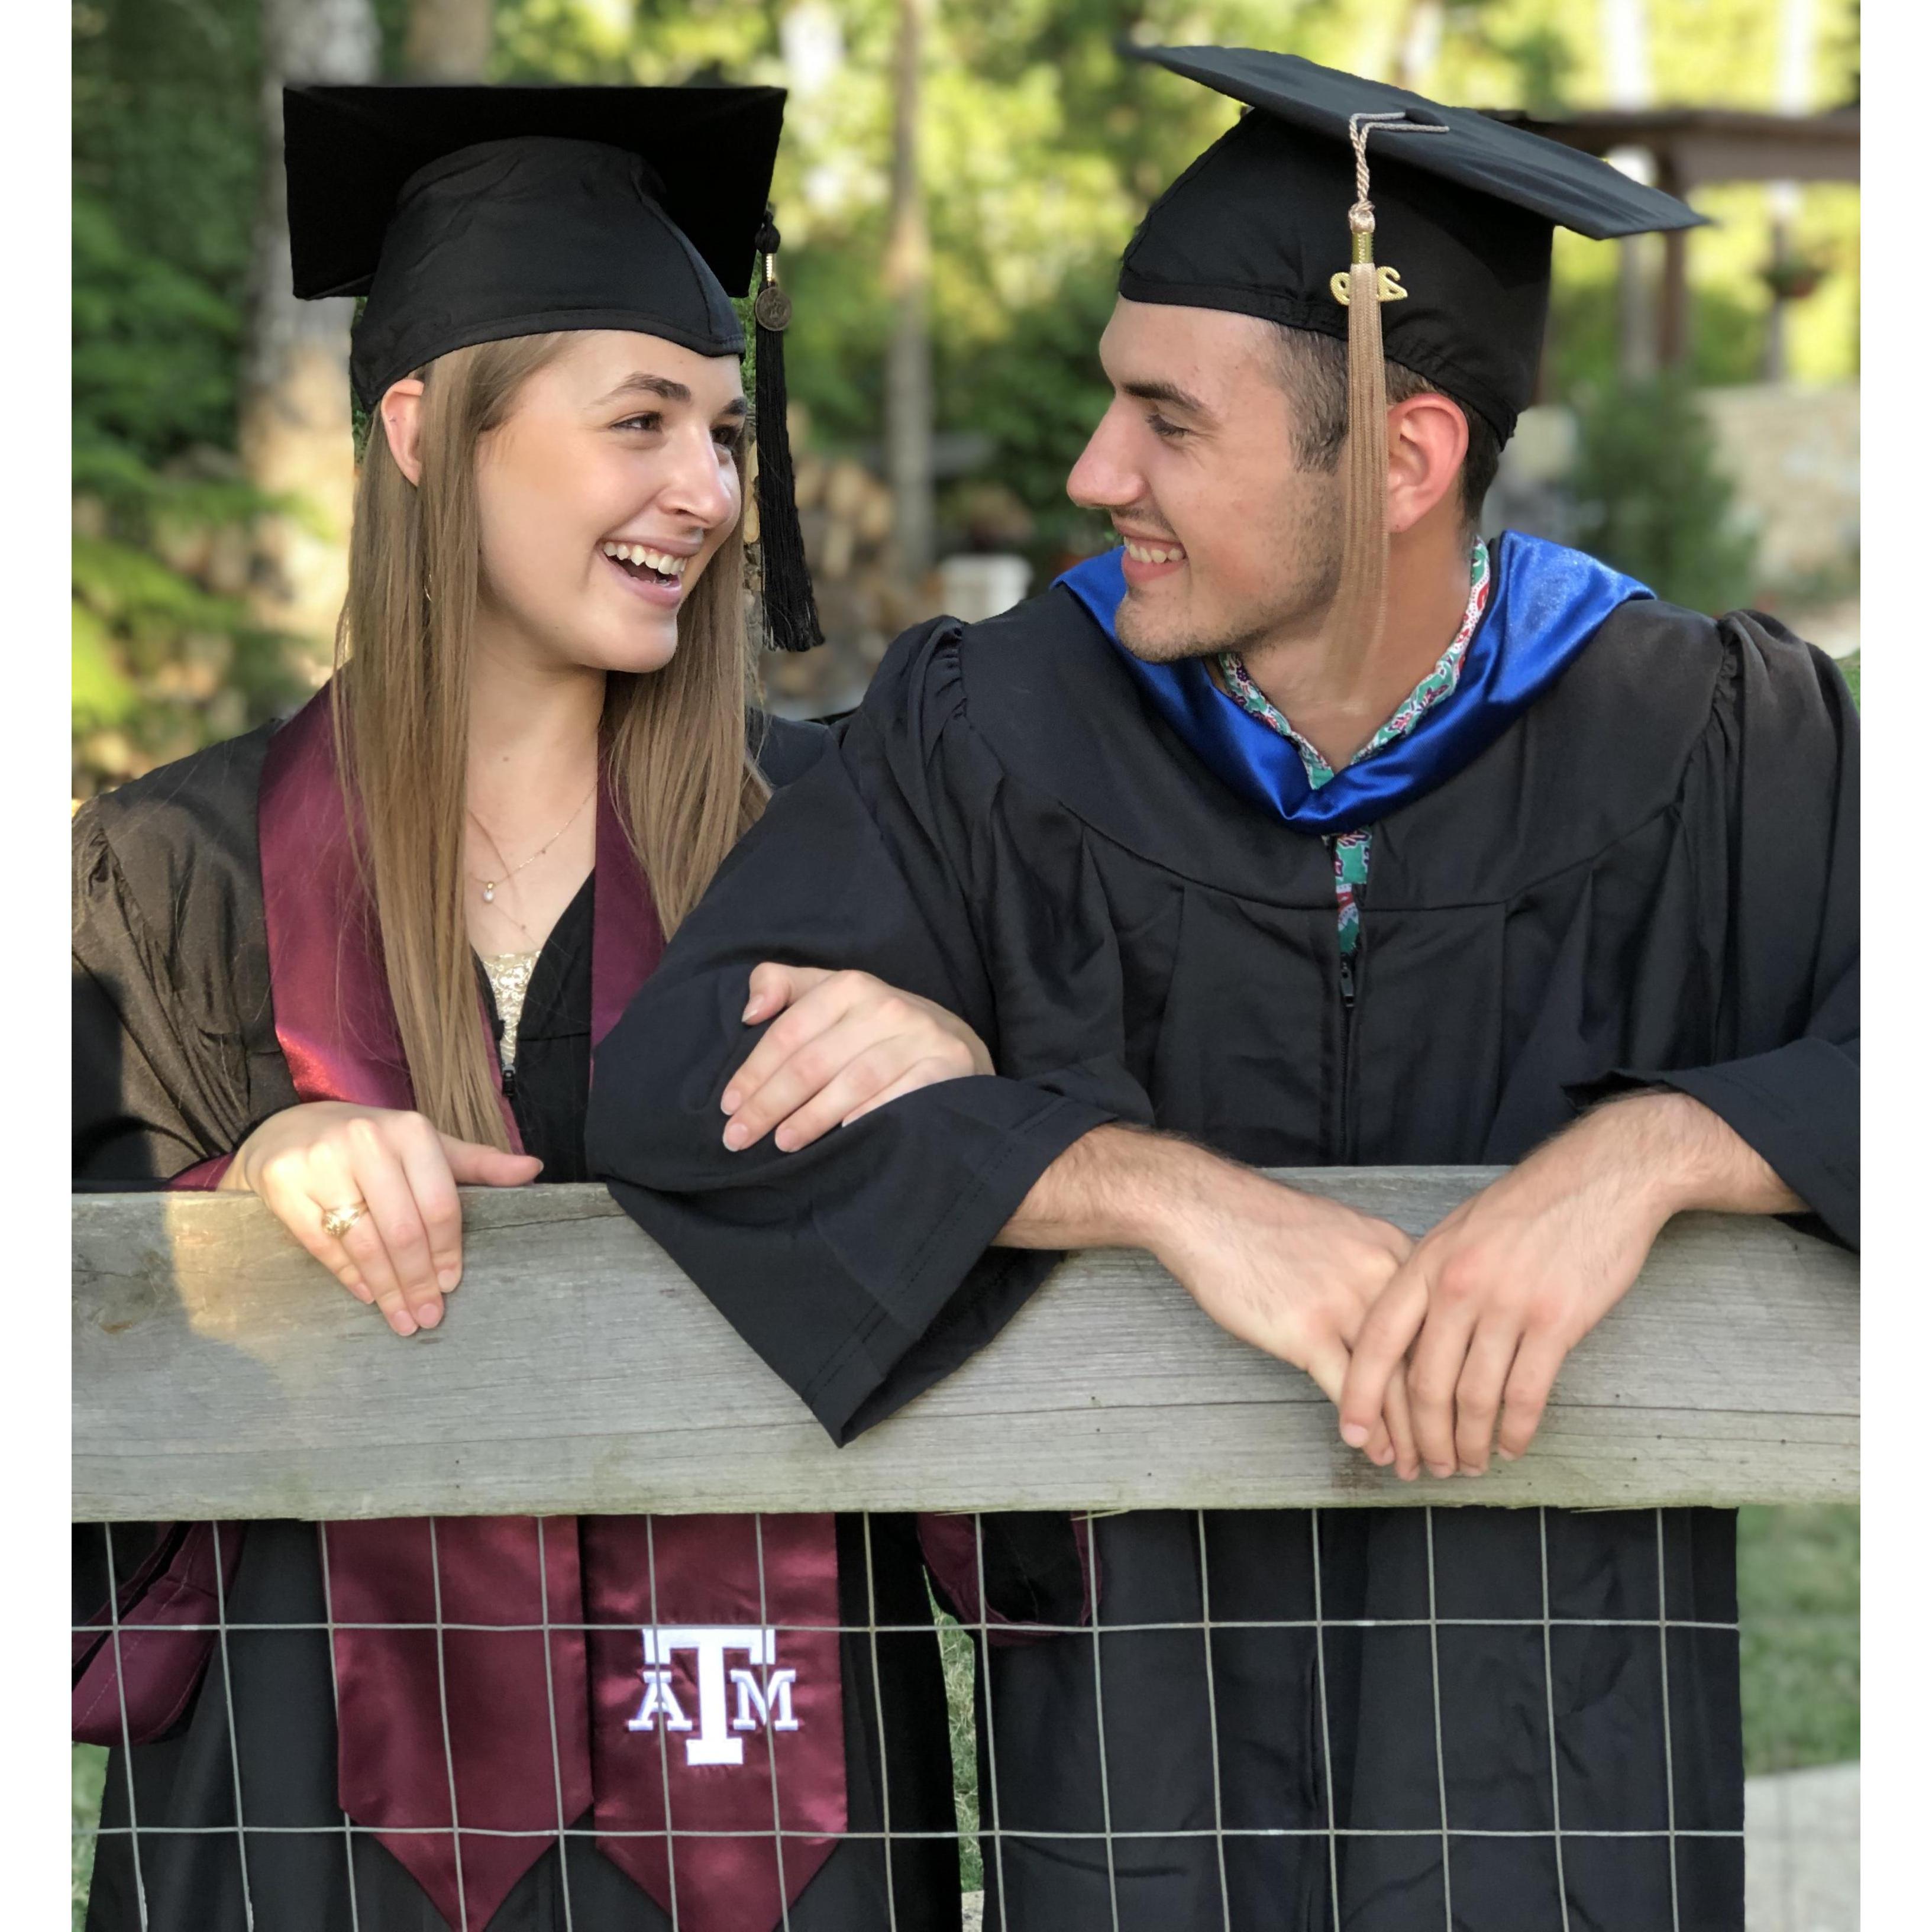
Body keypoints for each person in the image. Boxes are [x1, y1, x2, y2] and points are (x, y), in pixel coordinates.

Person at [585, 47, 1858, 1932]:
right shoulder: (994, 731)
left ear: (1406, 455)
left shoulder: (1710, 742)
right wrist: (1136, 1183)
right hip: (1127, 1768)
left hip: (1560, 1774)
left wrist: (1670, 1146)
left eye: (1164, 421)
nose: (1095, 470)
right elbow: (678, 1078)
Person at [73, 83, 982, 1932]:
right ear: (424, 430)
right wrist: (242, 1186)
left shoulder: (844, 846)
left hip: (770, 1800)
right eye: (638, 422)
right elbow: (73, 1411)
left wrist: (975, 1084)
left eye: (724, 432)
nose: (711, 493)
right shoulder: (175, 879)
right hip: (316, 1817)